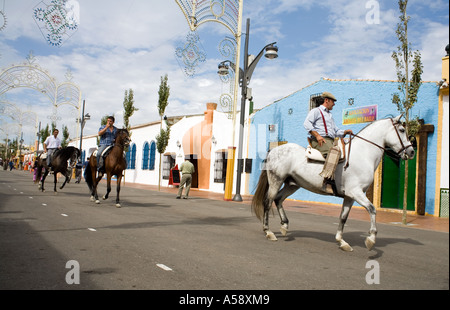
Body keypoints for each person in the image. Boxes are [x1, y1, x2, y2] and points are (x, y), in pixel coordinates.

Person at [303, 92, 353, 192]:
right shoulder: (316, 111)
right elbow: (306, 124)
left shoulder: (329, 116)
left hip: (329, 140)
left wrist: (345, 132)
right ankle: (327, 181)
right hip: (319, 140)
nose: (334, 104)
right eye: (333, 102)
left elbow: (336, 131)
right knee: (334, 151)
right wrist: (317, 136)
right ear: (327, 100)